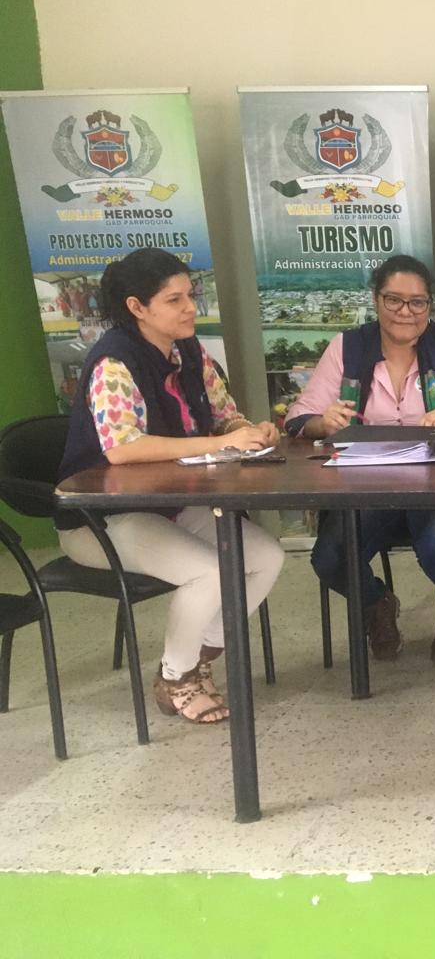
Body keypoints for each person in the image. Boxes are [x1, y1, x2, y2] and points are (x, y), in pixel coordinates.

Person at [55, 248, 285, 725]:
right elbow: (123, 449)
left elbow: (224, 415)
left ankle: (198, 659)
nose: (190, 308)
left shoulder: (190, 352)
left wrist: (249, 431)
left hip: (171, 505)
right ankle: (176, 677)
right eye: (174, 300)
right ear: (137, 307)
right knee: (210, 573)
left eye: (190, 296)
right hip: (104, 518)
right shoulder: (114, 362)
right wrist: (219, 441)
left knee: (267, 557)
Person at [285, 255, 435, 663]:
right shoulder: (348, 347)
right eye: (393, 300)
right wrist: (322, 423)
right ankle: (377, 603)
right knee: (329, 559)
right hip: (366, 489)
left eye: (418, 302)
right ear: (376, 300)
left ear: (430, 305)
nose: (405, 312)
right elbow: (298, 417)